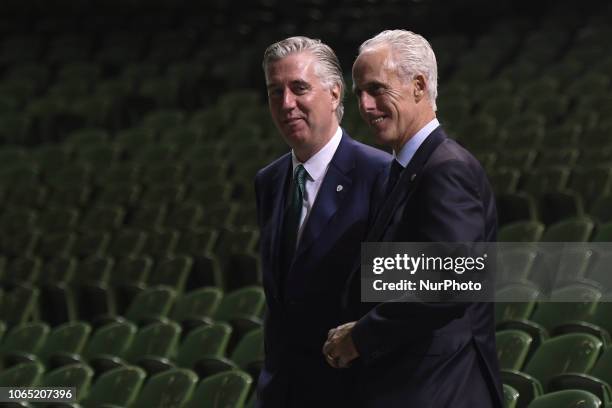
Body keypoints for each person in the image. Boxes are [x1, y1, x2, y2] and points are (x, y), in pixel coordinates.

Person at [322, 30, 504, 407]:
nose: (367, 107)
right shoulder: (407, 171)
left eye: (376, 89)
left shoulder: (446, 169)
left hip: (444, 390)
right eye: (359, 94)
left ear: (419, 86)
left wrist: (361, 336)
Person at [254, 36, 390, 407]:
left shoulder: (381, 175)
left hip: (354, 391)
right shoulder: (268, 181)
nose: (286, 104)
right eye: (274, 92)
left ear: (334, 94)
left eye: (299, 88)